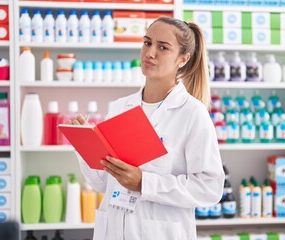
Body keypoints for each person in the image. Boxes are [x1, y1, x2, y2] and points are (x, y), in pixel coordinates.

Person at [69, 16, 224, 239]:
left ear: (183, 59)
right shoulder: (121, 107)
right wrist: (85, 147)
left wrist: (145, 183)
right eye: (147, 42)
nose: (150, 53)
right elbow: (103, 182)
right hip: (112, 229)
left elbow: (209, 188)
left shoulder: (192, 113)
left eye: (163, 47)